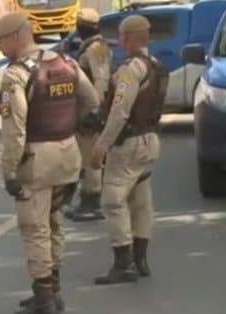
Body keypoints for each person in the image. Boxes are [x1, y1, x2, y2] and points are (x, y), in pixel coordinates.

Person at [0, 12, 100, 314]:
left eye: (1, 40)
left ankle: (44, 300)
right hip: (68, 155)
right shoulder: (66, 63)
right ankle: (52, 290)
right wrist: (69, 128)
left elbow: (15, 130)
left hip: (37, 160)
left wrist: (9, 171)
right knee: (54, 223)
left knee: (35, 228)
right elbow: (92, 103)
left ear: (17, 36)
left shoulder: (16, 75)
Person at [90, 14, 169, 285]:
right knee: (141, 199)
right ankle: (141, 258)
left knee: (113, 201)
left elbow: (119, 112)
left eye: (122, 36)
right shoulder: (157, 66)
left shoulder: (129, 70)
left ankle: (123, 263)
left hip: (129, 143)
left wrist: (101, 146)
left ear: (128, 38)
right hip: (150, 140)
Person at [64, 7, 112, 222]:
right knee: (84, 157)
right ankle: (87, 198)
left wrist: (95, 110)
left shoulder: (97, 49)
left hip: (91, 112)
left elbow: (101, 78)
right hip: (82, 111)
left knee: (91, 157)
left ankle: (92, 200)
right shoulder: (87, 47)